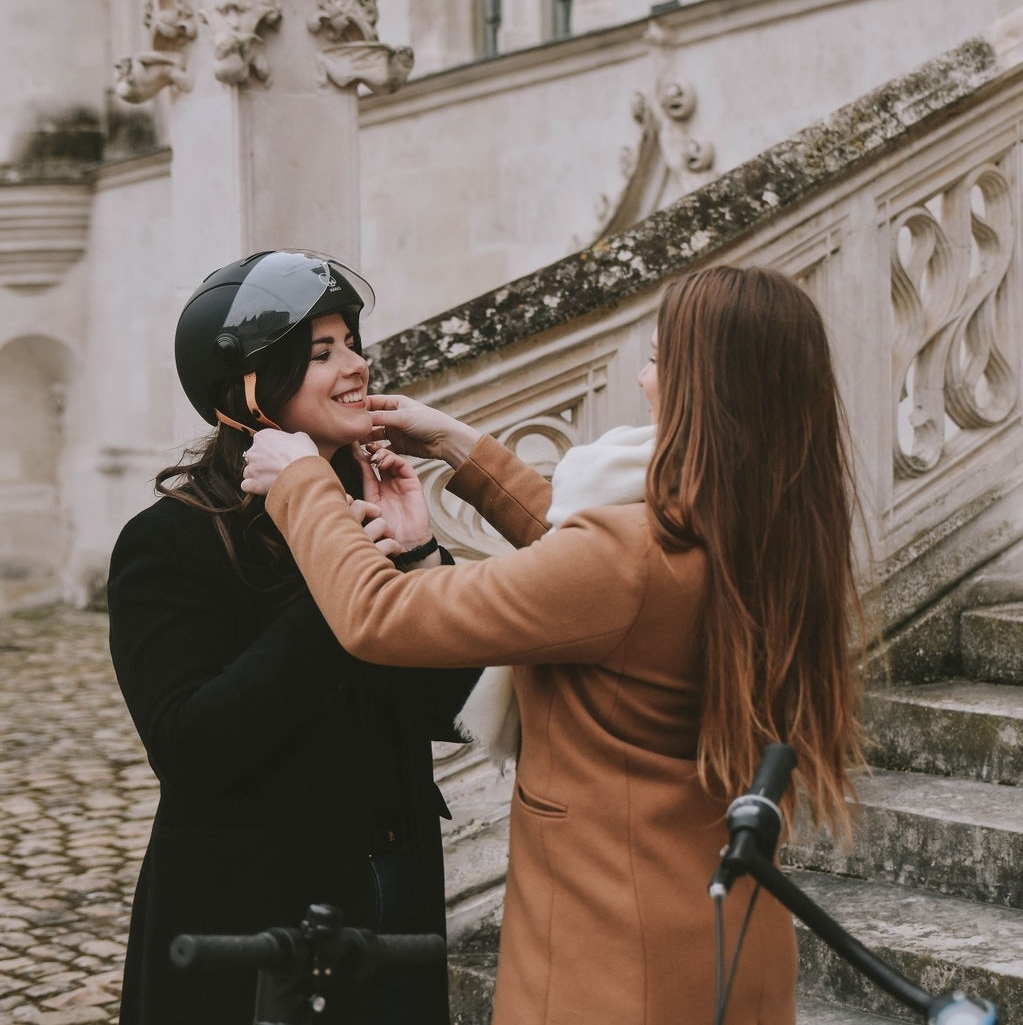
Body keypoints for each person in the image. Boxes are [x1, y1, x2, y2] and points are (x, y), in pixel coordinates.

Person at [240, 264, 866, 1025]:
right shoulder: (766, 523)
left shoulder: (627, 556)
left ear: (705, 385)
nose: (642, 378)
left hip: (610, 960)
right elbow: (602, 575)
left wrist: (301, 481)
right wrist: (455, 445)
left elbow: (380, 615)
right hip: (724, 934)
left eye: (660, 358)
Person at [106, 249, 479, 1025]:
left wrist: (415, 554)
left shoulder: (366, 506)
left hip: (393, 891)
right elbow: (190, 743)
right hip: (252, 916)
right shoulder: (169, 540)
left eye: (351, 343)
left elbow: (447, 703)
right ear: (249, 389)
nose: (357, 366)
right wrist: (340, 578)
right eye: (321, 352)